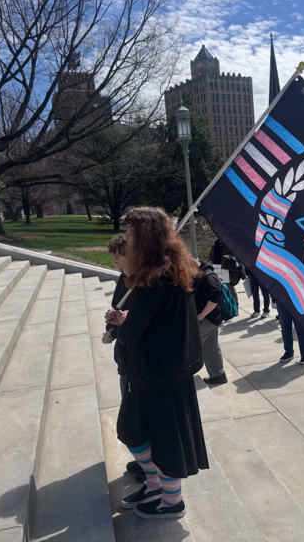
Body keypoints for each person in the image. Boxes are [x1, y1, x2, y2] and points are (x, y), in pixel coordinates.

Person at [106, 206, 208, 520]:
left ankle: (171, 500)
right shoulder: (168, 271)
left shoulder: (153, 282)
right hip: (166, 371)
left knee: (149, 434)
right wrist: (125, 320)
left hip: (156, 374)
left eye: (132, 234)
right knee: (151, 433)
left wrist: (120, 324)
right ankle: (155, 486)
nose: (128, 239)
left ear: (145, 239)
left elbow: (131, 334)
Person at [102, 234, 145, 484]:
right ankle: (142, 460)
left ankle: (147, 463)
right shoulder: (124, 279)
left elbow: (136, 319)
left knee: (135, 412)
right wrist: (112, 329)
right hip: (125, 354)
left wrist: (120, 326)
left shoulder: (143, 284)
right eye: (113, 254)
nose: (115, 258)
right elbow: (119, 310)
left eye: (120, 253)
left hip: (138, 359)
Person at [195, 261, 226, 386]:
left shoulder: (208, 277)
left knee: (191, 345)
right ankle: (218, 375)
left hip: (207, 320)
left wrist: (201, 315)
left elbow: (216, 297)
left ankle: (181, 374)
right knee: (211, 347)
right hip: (212, 319)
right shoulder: (207, 275)